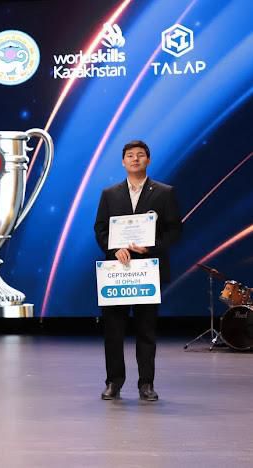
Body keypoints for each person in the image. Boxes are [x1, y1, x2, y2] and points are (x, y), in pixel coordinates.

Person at [94, 140, 182, 401]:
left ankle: (146, 384)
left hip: (147, 270)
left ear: (148, 160)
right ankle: (113, 382)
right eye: (130, 155)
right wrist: (114, 249)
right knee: (113, 331)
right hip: (117, 270)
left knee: (146, 330)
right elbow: (100, 229)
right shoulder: (109, 194)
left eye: (140, 155)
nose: (135, 159)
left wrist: (151, 247)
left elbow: (174, 230)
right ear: (123, 162)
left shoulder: (164, 192)